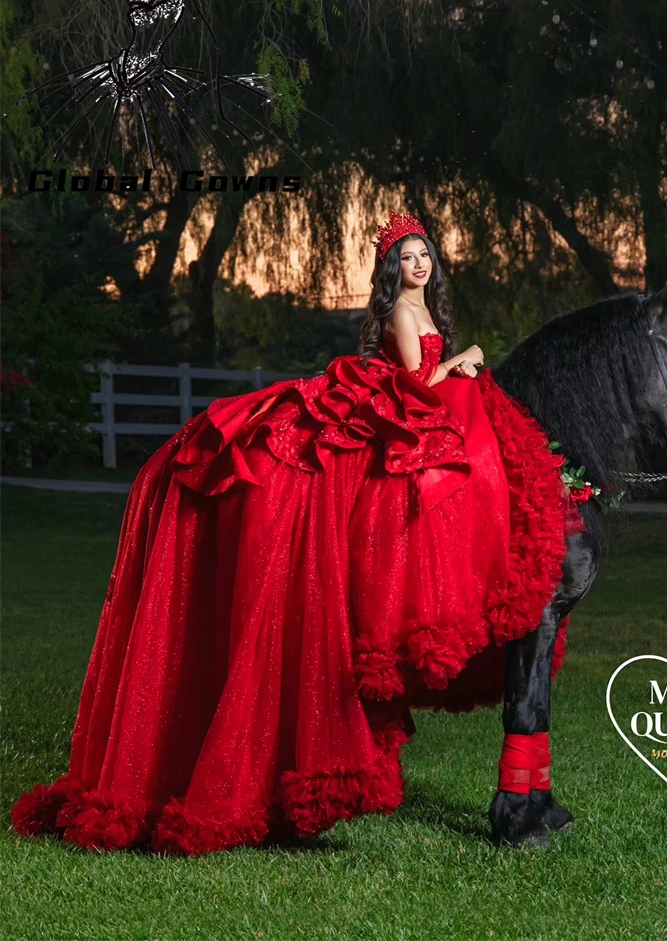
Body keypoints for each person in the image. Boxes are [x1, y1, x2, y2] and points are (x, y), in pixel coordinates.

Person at [11, 210, 585, 855]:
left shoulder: (428, 315)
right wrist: (460, 363)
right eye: (407, 257)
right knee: (437, 464)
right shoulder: (403, 315)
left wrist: (457, 361)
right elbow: (416, 381)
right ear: (391, 270)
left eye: (425, 255)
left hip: (426, 396)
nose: (418, 265)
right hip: (415, 398)